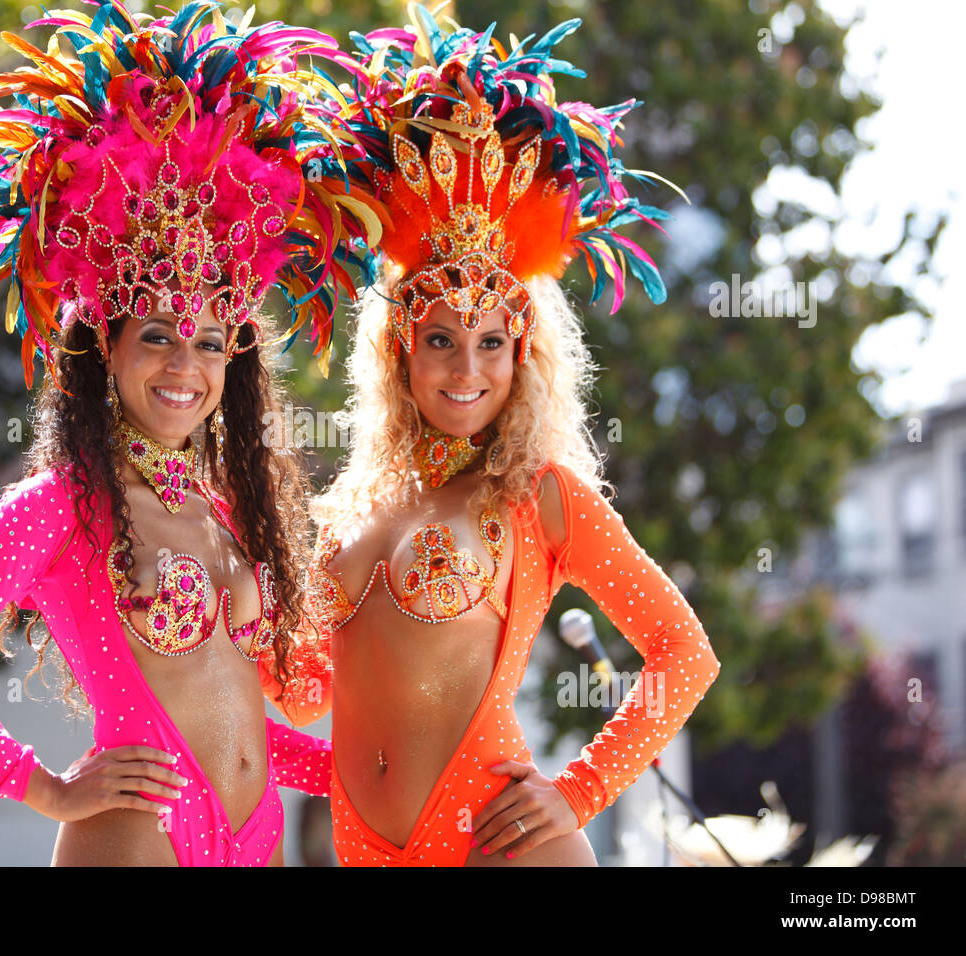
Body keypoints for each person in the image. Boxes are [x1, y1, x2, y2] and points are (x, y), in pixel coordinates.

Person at [0, 0, 373, 866]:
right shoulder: (62, 503)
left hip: (255, 843)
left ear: (234, 363)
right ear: (106, 346)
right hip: (135, 840)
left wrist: (370, 770)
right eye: (158, 334)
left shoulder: (224, 512)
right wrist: (40, 785)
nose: (186, 364)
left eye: (210, 341)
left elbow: (235, 716)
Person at [283, 7, 721, 866]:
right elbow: (304, 702)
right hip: (362, 851)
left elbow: (684, 653)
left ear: (523, 355)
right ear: (400, 348)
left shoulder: (541, 493)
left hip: (500, 843)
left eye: (492, 343)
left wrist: (580, 792)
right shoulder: (345, 508)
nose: (466, 370)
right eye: (442, 338)